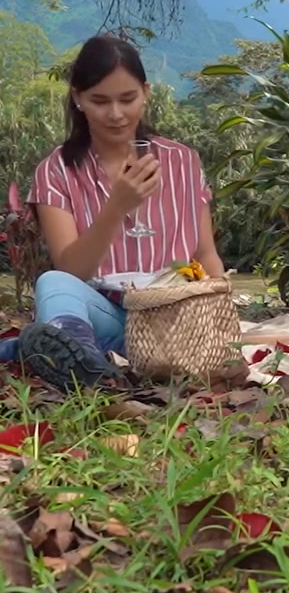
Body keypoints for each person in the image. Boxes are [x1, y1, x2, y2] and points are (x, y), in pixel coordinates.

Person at [2, 34, 225, 389]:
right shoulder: (56, 171)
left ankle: (48, 352)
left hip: (174, 322)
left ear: (146, 93)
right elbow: (72, 270)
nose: (117, 114)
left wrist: (221, 322)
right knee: (53, 283)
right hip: (107, 315)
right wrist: (116, 207)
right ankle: (86, 364)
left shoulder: (181, 161)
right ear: (78, 99)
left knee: (57, 331)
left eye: (128, 99)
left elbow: (204, 253)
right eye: (100, 101)